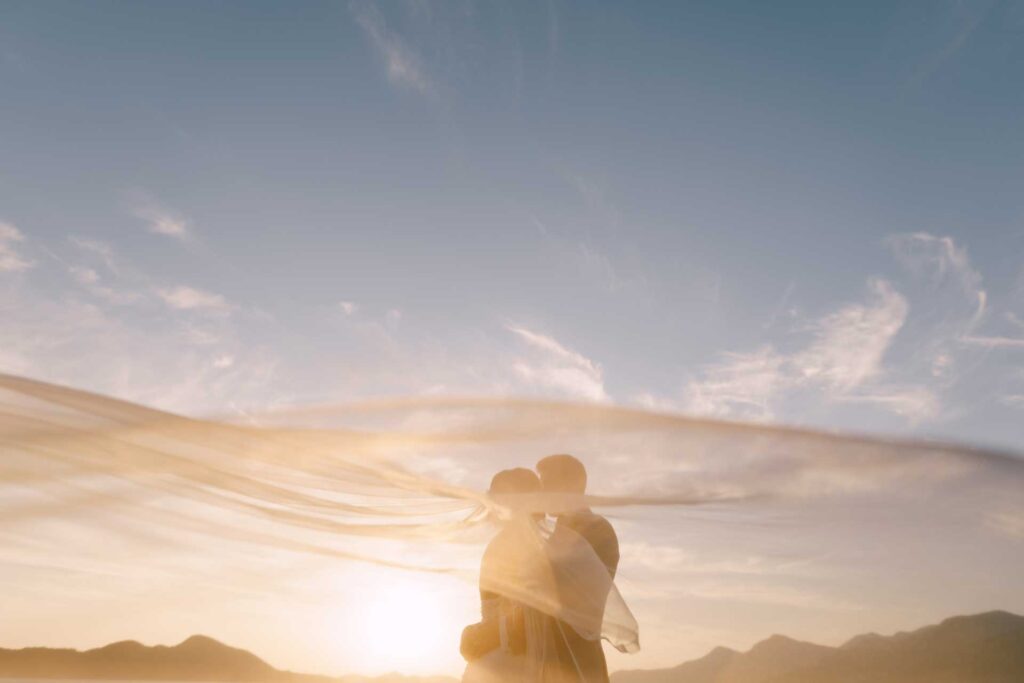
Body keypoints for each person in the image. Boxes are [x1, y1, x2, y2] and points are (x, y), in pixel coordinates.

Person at [536, 454, 619, 683]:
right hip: (551, 657)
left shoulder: (597, 530)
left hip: (576, 659)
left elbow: (565, 596)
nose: (540, 495)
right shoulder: (558, 531)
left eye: (545, 485)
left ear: (568, 485)